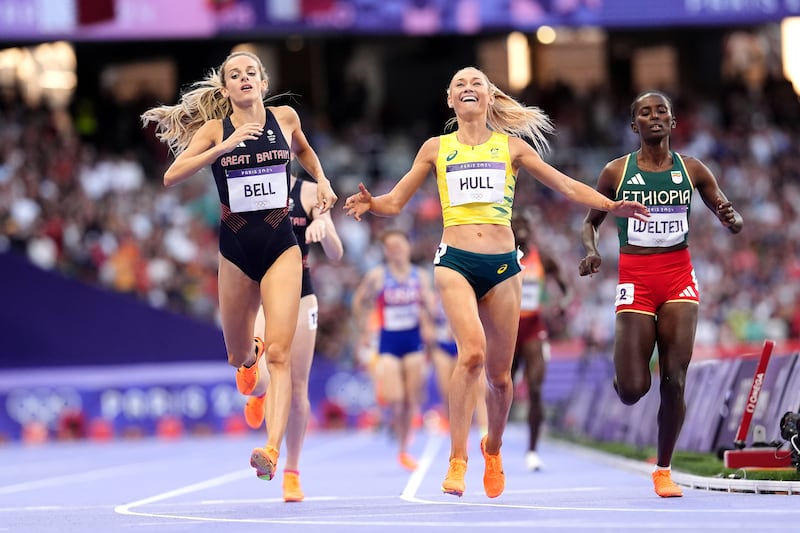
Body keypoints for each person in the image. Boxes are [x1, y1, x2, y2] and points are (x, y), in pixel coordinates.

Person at [343, 66, 649, 499]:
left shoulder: (512, 148)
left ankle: (494, 449)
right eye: (460, 85)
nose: (468, 89)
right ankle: (457, 460)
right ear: (450, 99)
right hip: (455, 262)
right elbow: (395, 201)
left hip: (504, 266)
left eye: (476, 84)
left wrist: (609, 205)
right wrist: (373, 202)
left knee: (501, 378)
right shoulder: (436, 148)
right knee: (471, 354)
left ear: (489, 97)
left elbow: (562, 183)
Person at [140, 50, 338, 483]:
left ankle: (271, 449)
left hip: (281, 245)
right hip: (235, 251)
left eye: (251, 72)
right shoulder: (215, 129)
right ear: (226, 87)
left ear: (263, 82)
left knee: (282, 355)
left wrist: (322, 180)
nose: (244, 78)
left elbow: (305, 152)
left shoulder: (284, 118)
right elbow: (172, 176)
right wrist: (224, 147)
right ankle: (251, 365)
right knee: (238, 355)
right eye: (235, 74)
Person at [578, 90, 743, 498]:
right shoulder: (615, 172)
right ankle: (623, 380)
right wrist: (591, 250)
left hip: (678, 279)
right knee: (634, 390)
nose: (654, 117)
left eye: (662, 111)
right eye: (645, 113)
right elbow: (590, 223)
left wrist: (731, 217)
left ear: (672, 122)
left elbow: (729, 215)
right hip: (635, 280)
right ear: (634, 125)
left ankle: (663, 469)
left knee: (675, 377)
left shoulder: (694, 170)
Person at [243, 167, 344, 502]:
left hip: (301, 295)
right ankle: (258, 393)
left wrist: (323, 226)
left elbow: (336, 252)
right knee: (257, 369)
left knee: (297, 387)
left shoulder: (311, 191)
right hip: (260, 293)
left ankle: (290, 469)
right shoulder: (249, 186)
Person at [351, 229, 436, 471]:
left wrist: (430, 320)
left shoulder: (420, 276)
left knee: (411, 399)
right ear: (386, 252)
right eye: (391, 248)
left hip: (413, 341)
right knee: (395, 399)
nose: (396, 252)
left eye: (400, 246)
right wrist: (364, 329)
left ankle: (403, 450)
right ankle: (398, 432)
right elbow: (359, 300)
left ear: (408, 248)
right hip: (388, 342)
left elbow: (428, 304)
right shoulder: (378, 276)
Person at [510, 208, 571, 472]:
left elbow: (566, 290)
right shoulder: (497, 257)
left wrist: (561, 305)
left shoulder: (542, 258)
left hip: (533, 327)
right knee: (502, 387)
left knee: (535, 387)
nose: (522, 230)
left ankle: (532, 450)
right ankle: (493, 444)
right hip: (507, 330)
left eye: (526, 225)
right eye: (517, 225)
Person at [429, 293, 488, 434]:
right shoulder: (434, 298)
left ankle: (483, 431)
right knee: (446, 391)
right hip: (442, 346)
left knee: (475, 390)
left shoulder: (469, 294)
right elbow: (427, 319)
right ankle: (454, 430)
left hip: (463, 345)